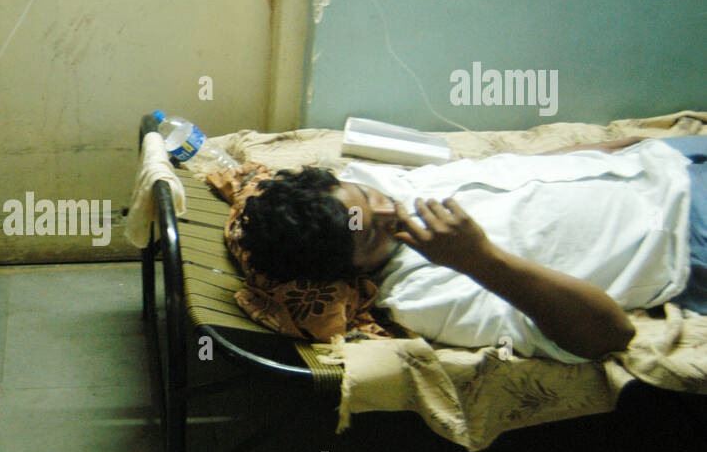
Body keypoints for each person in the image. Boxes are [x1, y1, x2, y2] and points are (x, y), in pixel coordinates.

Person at [235, 134, 707, 362]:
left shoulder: (382, 185)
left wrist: (608, 150)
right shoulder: (426, 297)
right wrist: (480, 260)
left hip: (668, 158)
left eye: (371, 198)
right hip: (687, 233)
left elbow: (510, 171)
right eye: (370, 234)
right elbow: (609, 336)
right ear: (348, 271)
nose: (388, 212)